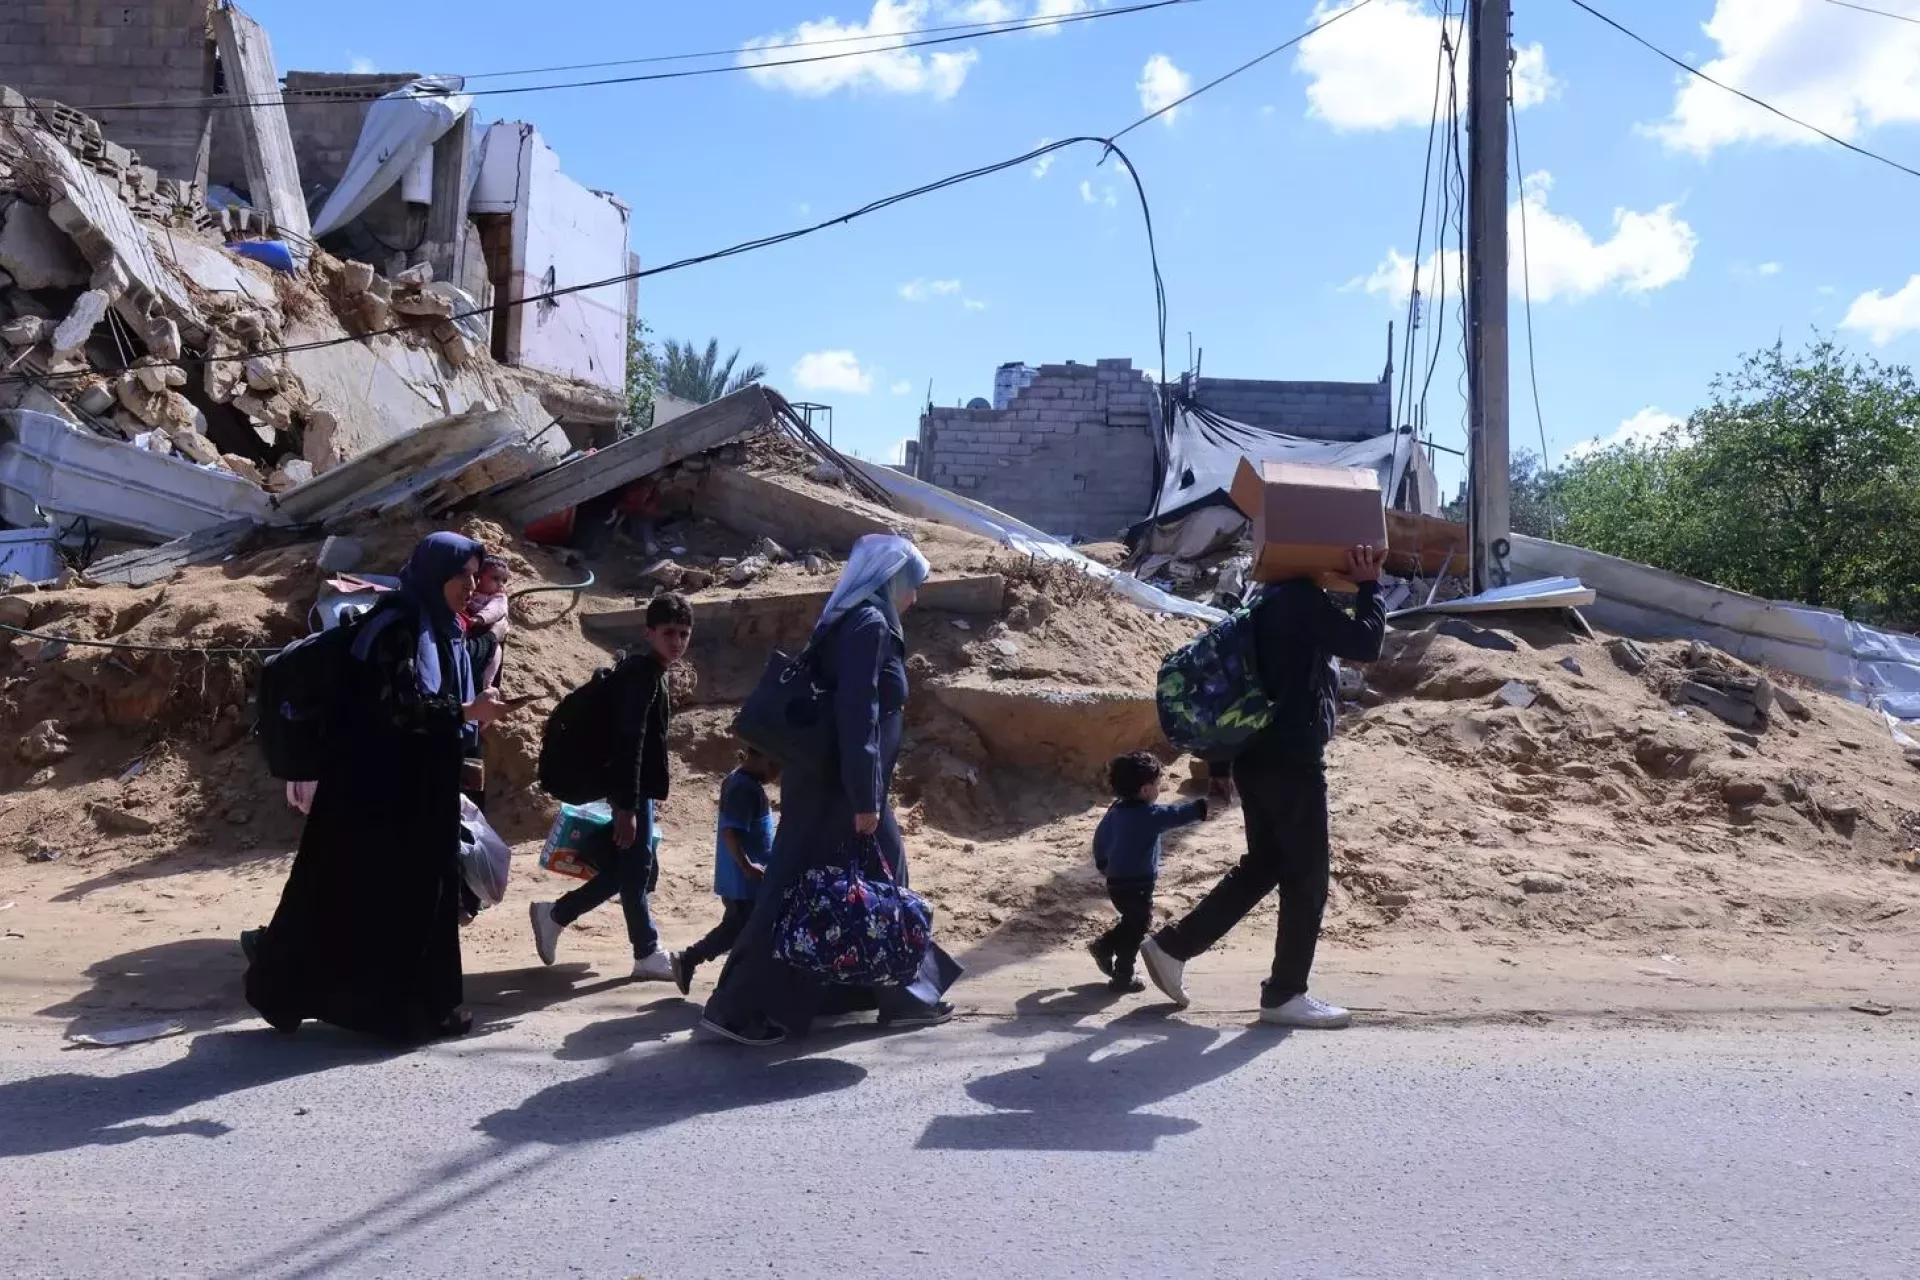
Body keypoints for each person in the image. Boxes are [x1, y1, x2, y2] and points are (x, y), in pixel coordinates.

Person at [245, 532, 510, 1042]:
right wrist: (464, 712)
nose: (473, 586)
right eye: (464, 576)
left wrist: (470, 721)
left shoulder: (439, 627)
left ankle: (425, 1007)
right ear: (438, 575)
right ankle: (287, 986)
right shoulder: (397, 625)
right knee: (348, 891)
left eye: (477, 576)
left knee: (410, 897)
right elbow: (396, 707)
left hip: (415, 786)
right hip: (375, 789)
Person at [700, 534, 962, 1046]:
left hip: (847, 786)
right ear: (890, 580)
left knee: (885, 884)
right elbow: (857, 713)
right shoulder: (869, 623)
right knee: (794, 890)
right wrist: (864, 796)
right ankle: (736, 1008)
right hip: (839, 791)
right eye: (912, 585)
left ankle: (890, 994)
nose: (915, 596)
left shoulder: (855, 620)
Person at [1139, 545, 1389, 1030]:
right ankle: (1285, 993)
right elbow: (1368, 643)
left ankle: (1173, 947)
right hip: (1291, 762)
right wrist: (1369, 584)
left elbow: (1232, 681)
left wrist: (1219, 763)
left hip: (1255, 757)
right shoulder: (1301, 600)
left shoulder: (1265, 599)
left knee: (1266, 865)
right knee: (1309, 875)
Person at [529, 593, 691, 983]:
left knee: (636, 870)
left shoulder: (651, 673)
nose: (677, 642)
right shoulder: (641, 676)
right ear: (648, 633)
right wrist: (626, 808)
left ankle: (561, 917)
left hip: (635, 791)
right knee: (636, 868)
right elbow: (629, 743)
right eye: (669, 632)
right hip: (629, 791)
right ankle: (638, 948)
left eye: (684, 634)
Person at [1089, 751, 1208, 994]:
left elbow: (1100, 838)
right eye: (1157, 785)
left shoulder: (1115, 810)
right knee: (1138, 926)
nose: (1160, 789)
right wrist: (1204, 806)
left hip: (1116, 882)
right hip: (1137, 884)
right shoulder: (1148, 815)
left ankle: (1105, 947)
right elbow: (1178, 815)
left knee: (1132, 921)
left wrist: (1102, 862)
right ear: (1145, 790)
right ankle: (1122, 974)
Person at [672, 745, 780, 995]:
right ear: (764, 758)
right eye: (777, 767)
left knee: (736, 931)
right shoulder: (745, 789)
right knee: (741, 933)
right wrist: (746, 865)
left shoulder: (738, 779)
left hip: (741, 881)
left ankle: (696, 963)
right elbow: (730, 831)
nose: (777, 775)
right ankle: (693, 961)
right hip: (744, 883)